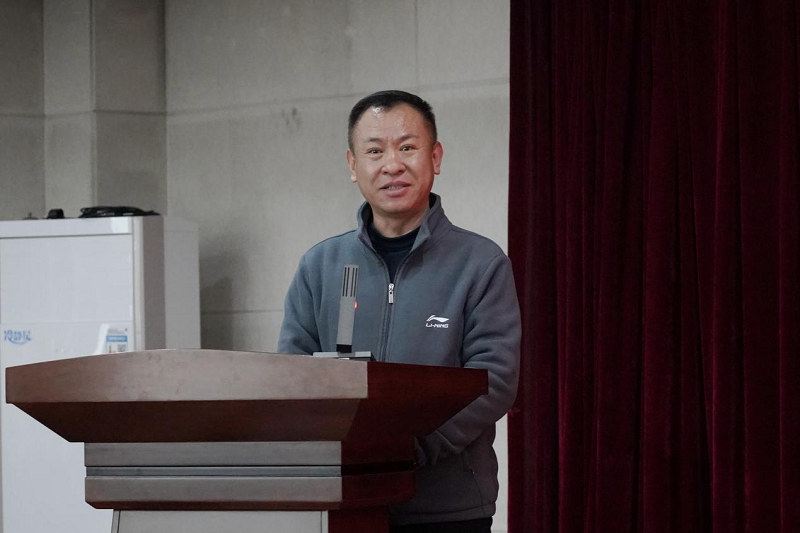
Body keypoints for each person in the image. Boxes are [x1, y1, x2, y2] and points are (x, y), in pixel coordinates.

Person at [278, 90, 520, 533]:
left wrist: (412, 449)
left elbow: (494, 381)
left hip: (448, 509)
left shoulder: (480, 263)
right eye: (375, 151)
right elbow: (292, 377)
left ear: (435, 157)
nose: (392, 164)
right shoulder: (320, 265)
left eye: (407, 147)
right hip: (343, 504)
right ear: (353, 165)